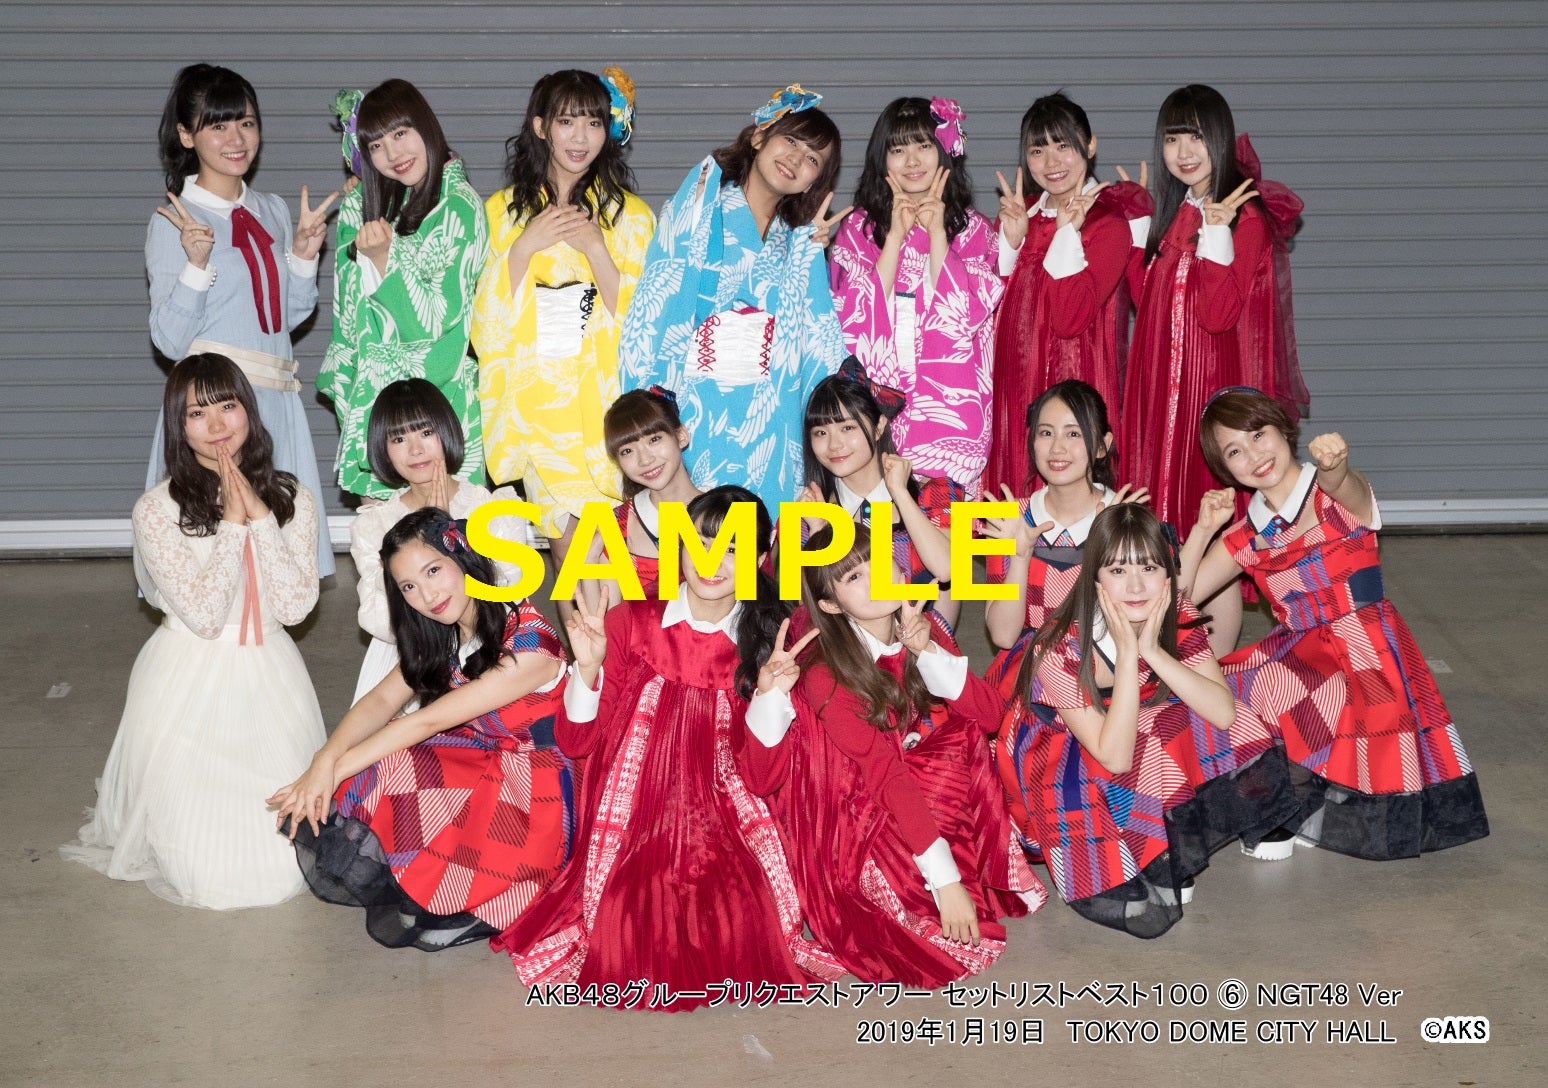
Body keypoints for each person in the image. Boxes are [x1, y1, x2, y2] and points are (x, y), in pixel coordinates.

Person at [494, 488, 845, 1010]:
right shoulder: (630, 621)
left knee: (743, 927)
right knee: (627, 928)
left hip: (727, 812)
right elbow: (576, 741)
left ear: (757, 560)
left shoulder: (769, 642)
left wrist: (771, 695)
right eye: (699, 543)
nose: (711, 561)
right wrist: (587, 668)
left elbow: (765, 777)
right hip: (635, 813)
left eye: (731, 548)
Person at [1179, 388, 1489, 861]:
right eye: (1235, 451)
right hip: (1301, 652)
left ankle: (1305, 802)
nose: (1254, 455)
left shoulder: (1335, 496)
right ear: (1224, 469)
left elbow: (1346, 486)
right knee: (1227, 691)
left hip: (1368, 653)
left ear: (1284, 429)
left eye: (1259, 434)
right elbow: (1176, 598)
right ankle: (1282, 803)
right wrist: (1203, 531)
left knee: (1317, 697)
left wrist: (1335, 466)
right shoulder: (1245, 536)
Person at [62, 353, 325, 908]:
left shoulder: (293, 496)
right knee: (210, 876)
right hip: (188, 681)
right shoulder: (156, 510)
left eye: (227, 406)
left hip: (271, 675)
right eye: (197, 413)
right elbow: (204, 617)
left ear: (248, 410)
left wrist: (261, 517)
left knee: (284, 868)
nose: (217, 425)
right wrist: (233, 524)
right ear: (178, 427)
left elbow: (297, 607)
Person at [738, 528, 1044, 986]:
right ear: (831, 605)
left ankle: (952, 865)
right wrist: (946, 882)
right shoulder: (827, 674)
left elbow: (990, 716)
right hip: (845, 817)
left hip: (896, 777)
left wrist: (929, 650)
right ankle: (927, 873)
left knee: (963, 737)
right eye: (855, 576)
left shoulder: (918, 625)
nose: (877, 577)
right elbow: (882, 775)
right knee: (932, 939)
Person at [273, 508, 574, 950]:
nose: (427, 595)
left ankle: (478, 895)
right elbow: (379, 700)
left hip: (538, 782)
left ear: (466, 558)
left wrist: (329, 773)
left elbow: (428, 720)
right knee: (386, 756)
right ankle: (440, 886)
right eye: (409, 586)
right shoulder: (447, 632)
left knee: (394, 752)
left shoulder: (531, 644)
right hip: (486, 755)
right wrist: (324, 759)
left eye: (433, 571)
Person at [994, 503, 1294, 938]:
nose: (1135, 586)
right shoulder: (1058, 646)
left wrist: (1152, 650)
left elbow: (1224, 712)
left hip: (1129, 728)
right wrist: (1128, 654)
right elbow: (1113, 755)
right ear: (1094, 578)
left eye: (1149, 568)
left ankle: (1167, 836)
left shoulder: (1174, 610)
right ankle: (1144, 846)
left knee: (1228, 716)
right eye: (1117, 570)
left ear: (1168, 573)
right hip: (1061, 753)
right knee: (1148, 738)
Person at [619, 84, 849, 514]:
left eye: (813, 159)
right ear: (759, 136)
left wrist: (808, 258)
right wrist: (650, 414)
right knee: (697, 537)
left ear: (816, 180)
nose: (796, 159)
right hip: (699, 413)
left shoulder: (794, 242)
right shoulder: (700, 207)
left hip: (770, 424)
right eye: (791, 141)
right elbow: (659, 304)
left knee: (765, 541)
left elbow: (813, 341)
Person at [146, 63, 337, 573]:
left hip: (276, 404)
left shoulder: (271, 210)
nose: (236, 139)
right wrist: (196, 264)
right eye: (218, 125)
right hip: (218, 413)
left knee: (281, 563)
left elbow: (284, 319)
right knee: (216, 563)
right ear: (186, 135)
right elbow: (169, 341)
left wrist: (303, 256)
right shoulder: (174, 222)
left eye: (247, 123)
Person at [473, 68, 655, 589]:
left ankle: (613, 646)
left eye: (593, 123)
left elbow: (645, 324)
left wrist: (597, 249)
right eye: (567, 121)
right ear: (540, 127)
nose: (580, 137)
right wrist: (524, 247)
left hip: (606, 406)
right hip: (538, 407)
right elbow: (483, 324)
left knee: (619, 559)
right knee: (569, 555)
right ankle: (583, 645)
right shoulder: (500, 213)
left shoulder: (632, 217)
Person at [1120, 84, 1305, 531]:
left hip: (1209, 387)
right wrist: (1138, 229)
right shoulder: (1178, 211)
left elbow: (1216, 315)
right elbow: (1150, 304)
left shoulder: (1245, 217)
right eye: (1172, 138)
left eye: (1197, 136)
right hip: (1163, 386)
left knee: (1207, 513)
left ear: (1220, 138)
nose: (1184, 152)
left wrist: (1219, 234)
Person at [318, 79, 489, 500]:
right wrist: (349, 395)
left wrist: (385, 260)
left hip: (439, 409)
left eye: (400, 134)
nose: (393, 154)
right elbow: (347, 322)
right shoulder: (364, 206)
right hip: (372, 411)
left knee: (449, 534)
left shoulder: (459, 205)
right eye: (376, 145)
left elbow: (435, 324)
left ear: (425, 127)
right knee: (382, 536)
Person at [829, 96, 1002, 496]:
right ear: (881, 159)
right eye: (897, 149)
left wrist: (938, 233)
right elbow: (850, 317)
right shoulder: (858, 228)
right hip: (876, 404)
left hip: (950, 405)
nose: (911, 161)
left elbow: (968, 313)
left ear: (944, 151)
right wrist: (893, 238)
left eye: (923, 145)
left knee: (944, 527)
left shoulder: (973, 229)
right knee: (873, 527)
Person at [985, 92, 1151, 497]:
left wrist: (1065, 233)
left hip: (1076, 375)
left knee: (1075, 489)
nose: (1051, 162)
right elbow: (988, 308)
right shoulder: (1019, 213)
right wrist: (1009, 242)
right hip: (1013, 382)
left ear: (1090, 145)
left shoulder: (1109, 222)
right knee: (1012, 495)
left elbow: (1069, 318)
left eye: (1063, 145)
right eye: (1038, 150)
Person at [348, 379, 522, 705]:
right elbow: (379, 620)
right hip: (408, 665)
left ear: (447, 432)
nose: (415, 449)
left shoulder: (494, 509)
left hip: (488, 659)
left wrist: (448, 538)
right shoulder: (374, 525)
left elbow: (508, 599)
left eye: (426, 432)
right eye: (399, 438)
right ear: (382, 448)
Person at [982, 380, 1146, 650]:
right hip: (1031, 667)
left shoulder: (1127, 517)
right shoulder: (1007, 517)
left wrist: (1112, 544)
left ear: (1102, 445)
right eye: (1046, 433)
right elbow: (1003, 637)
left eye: (1074, 434)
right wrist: (1020, 558)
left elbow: (1143, 630)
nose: (1057, 448)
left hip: (1106, 666)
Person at [797, 363, 960, 625]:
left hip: (930, 645)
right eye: (821, 433)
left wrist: (901, 494)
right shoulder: (806, 517)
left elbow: (947, 569)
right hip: (849, 650)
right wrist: (820, 533)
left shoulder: (936, 494)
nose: (834, 444)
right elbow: (814, 616)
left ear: (879, 426)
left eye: (847, 428)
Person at [595, 386, 701, 601]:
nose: (645, 460)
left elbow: (748, 607)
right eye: (627, 451)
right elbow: (607, 617)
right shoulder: (617, 524)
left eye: (654, 439)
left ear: (681, 436)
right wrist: (589, 557)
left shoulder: (728, 510)